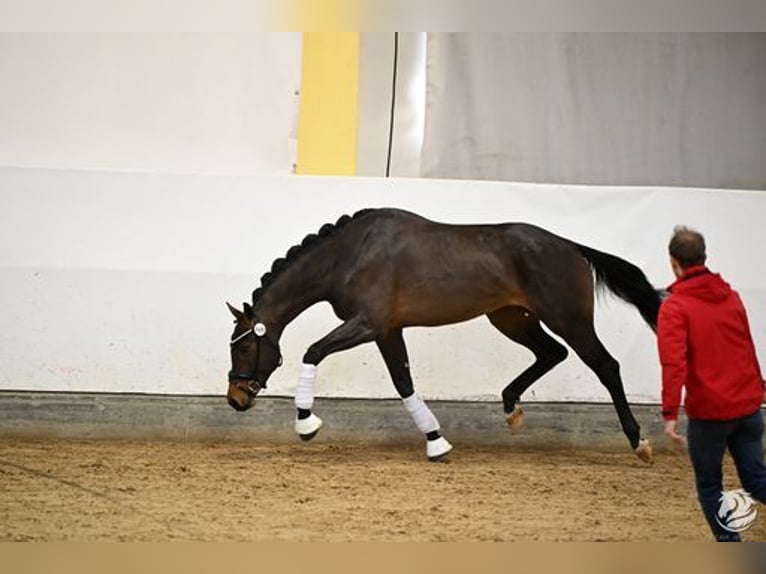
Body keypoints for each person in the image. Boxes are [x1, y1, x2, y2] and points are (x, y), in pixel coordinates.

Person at [657, 225, 766, 542]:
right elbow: (746, 345)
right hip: (747, 407)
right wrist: (758, 387)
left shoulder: (675, 307)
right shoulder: (730, 297)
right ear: (703, 257)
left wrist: (669, 415)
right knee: (757, 481)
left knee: (710, 486)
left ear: (673, 262)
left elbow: (673, 364)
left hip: (710, 413)